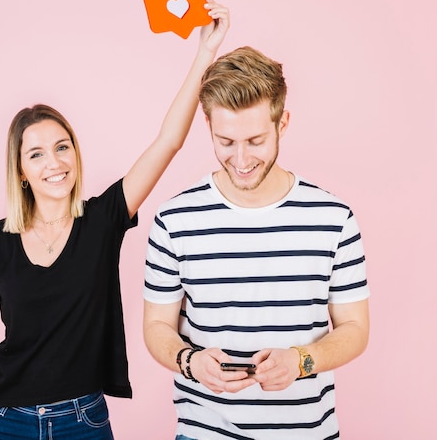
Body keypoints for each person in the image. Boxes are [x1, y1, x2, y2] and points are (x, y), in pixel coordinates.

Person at [0, 0, 230, 440]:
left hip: (81, 421)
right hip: (3, 421)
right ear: (21, 171)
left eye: (63, 147)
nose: (54, 162)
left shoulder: (102, 220)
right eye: (37, 154)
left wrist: (204, 52)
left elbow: (168, 141)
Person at [143, 46, 370, 440]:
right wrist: (190, 361)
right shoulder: (173, 219)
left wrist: (302, 360)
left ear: (283, 123)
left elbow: (354, 328)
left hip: (308, 432)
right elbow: (157, 325)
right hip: (204, 432)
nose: (242, 158)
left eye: (255, 140)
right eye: (225, 141)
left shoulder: (334, 218)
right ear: (209, 126)